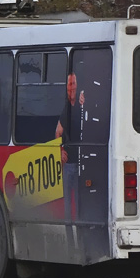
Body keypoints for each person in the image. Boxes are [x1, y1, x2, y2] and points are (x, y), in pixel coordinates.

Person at [56, 72, 85, 220]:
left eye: (73, 84)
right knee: (68, 206)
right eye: (69, 85)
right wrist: (60, 150)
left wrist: (84, 100)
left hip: (82, 164)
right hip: (68, 166)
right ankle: (69, 239)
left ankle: (80, 237)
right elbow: (58, 132)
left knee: (80, 206)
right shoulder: (66, 108)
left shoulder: (83, 103)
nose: (71, 88)